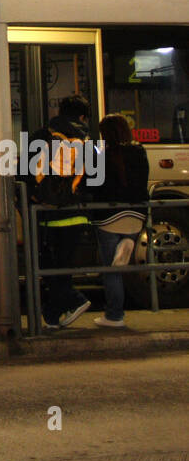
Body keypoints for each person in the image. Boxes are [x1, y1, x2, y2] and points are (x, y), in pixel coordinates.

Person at [28, 94, 92, 329]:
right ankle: (55, 314)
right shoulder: (88, 141)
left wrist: (33, 196)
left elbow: (24, 170)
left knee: (49, 266)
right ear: (83, 116)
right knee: (62, 266)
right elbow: (95, 177)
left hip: (47, 213)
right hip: (76, 213)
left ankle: (69, 304)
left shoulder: (43, 134)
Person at [92, 113, 149, 328]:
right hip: (136, 215)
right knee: (118, 266)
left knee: (111, 270)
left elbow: (95, 186)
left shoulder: (103, 155)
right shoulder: (139, 151)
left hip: (109, 216)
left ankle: (114, 316)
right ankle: (128, 241)